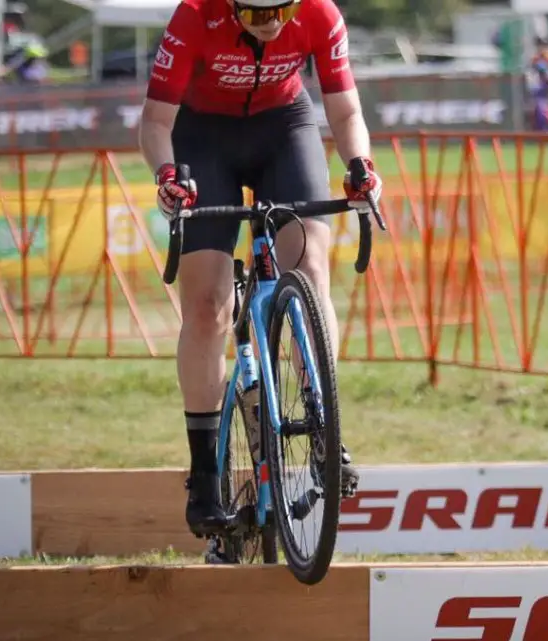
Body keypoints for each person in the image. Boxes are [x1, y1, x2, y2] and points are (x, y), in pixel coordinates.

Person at [137, 0, 382, 538]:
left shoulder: (319, 13)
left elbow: (345, 111)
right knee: (207, 308)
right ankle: (204, 476)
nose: (270, 22)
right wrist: (166, 176)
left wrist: (360, 166)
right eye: (254, 12)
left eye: (281, 9)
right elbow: (156, 122)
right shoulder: (193, 16)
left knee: (311, 267)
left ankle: (324, 424)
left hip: (283, 129)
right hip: (204, 141)